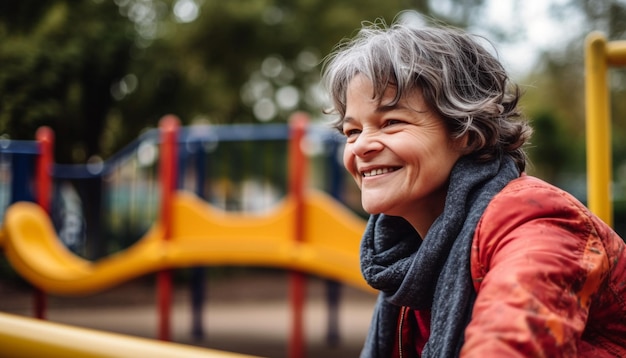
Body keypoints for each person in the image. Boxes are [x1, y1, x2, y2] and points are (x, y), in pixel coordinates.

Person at [321, 12, 626, 358]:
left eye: (391, 122)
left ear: (466, 132)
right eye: (352, 131)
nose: (361, 146)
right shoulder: (407, 254)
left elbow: (512, 339)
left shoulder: (536, 222)